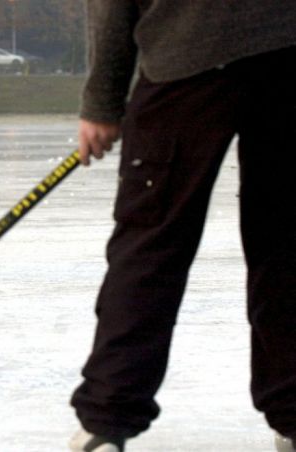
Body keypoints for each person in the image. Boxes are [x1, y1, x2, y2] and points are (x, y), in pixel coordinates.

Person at [69, 2, 296, 451]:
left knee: (151, 245)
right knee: (287, 246)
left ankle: (108, 418)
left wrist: (102, 102)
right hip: (284, 52)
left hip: (186, 58)